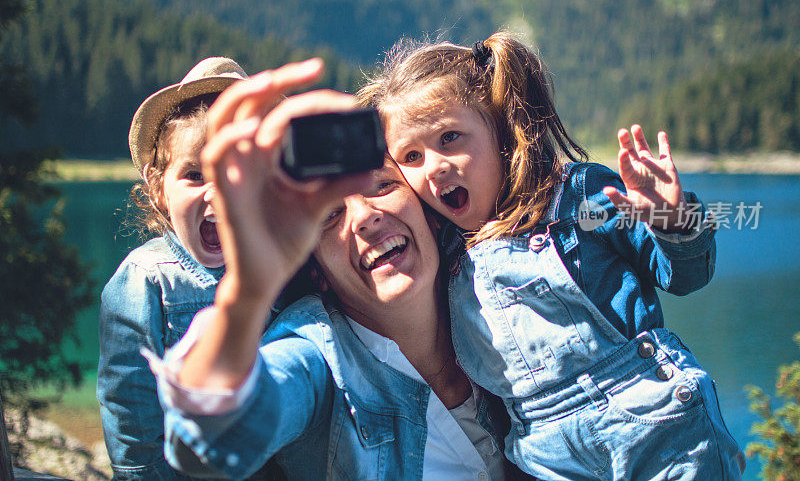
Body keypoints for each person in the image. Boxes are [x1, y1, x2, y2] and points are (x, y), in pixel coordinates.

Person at [359, 31, 746, 479]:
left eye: (450, 137)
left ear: (500, 129)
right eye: (411, 155)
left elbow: (684, 276)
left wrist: (672, 220)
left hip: (654, 428)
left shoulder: (575, 197)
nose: (435, 166)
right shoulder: (441, 249)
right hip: (543, 458)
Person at [147, 59, 518, 480]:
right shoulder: (317, 358)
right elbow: (212, 447)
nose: (365, 218)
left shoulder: (500, 294)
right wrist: (247, 291)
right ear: (317, 271)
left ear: (429, 213)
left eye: (383, 186)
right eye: (329, 214)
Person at [97, 57, 248, 479]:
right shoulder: (146, 280)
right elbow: (130, 419)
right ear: (157, 187)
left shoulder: (284, 268)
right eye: (195, 174)